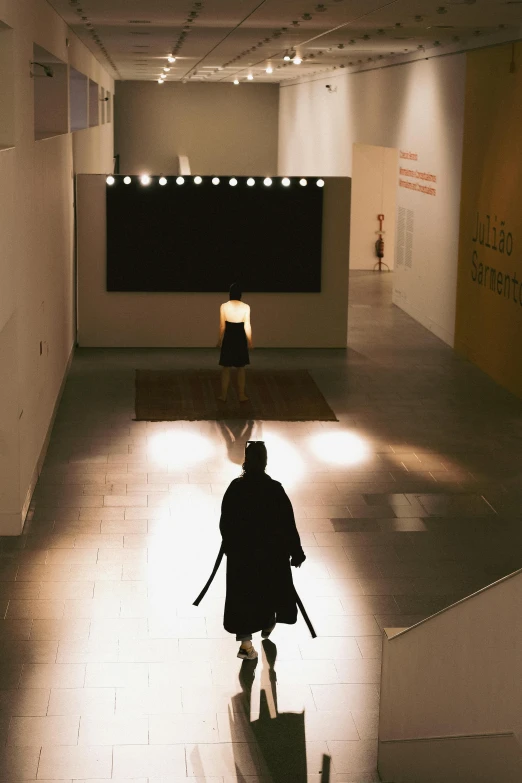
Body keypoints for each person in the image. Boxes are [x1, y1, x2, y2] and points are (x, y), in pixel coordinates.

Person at [219, 441, 306, 660]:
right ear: (265, 462)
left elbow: (225, 523)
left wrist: (231, 546)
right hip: (270, 556)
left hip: (242, 556)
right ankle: (268, 623)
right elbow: (288, 524)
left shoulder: (235, 488)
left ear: (246, 461)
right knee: (267, 591)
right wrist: (296, 552)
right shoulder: (274, 489)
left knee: (243, 597)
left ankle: (246, 645)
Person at [217, 282, 252, 402]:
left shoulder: (224, 306)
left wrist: (219, 340)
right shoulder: (246, 307)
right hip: (240, 338)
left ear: (230, 294)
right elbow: (247, 325)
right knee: (241, 368)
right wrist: (250, 341)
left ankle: (223, 395)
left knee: (226, 368)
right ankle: (241, 395)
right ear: (240, 294)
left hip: (229, 338)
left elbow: (222, 326)